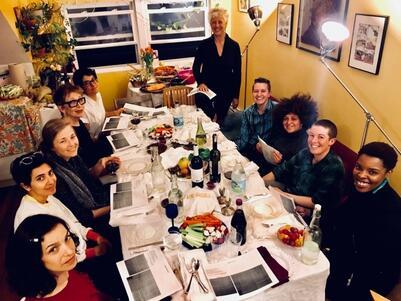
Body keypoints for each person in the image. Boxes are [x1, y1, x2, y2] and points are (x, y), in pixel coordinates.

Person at [327, 142, 401, 301]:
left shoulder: (392, 210)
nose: (361, 175)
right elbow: (341, 217)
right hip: (342, 263)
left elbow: (378, 261)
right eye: (359, 167)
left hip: (365, 282)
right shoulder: (360, 189)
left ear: (388, 173)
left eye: (372, 172)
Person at [10, 151, 111, 262]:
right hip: (71, 267)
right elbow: (55, 259)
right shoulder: (31, 217)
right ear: (26, 186)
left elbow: (73, 223)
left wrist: (97, 237)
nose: (51, 181)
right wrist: (94, 252)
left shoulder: (48, 197)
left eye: (50, 173)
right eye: (40, 178)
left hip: (80, 247)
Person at [263, 119, 344, 242]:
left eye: (321, 137)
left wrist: (283, 195)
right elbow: (281, 170)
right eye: (311, 135)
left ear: (331, 141)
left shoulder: (334, 166)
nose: (314, 141)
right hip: (290, 196)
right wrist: (260, 181)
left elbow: (316, 201)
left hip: (308, 213)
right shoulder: (305, 153)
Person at [6, 214, 113, 300]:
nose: (69, 251)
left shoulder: (63, 269)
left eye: (67, 238)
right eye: (53, 249)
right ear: (34, 259)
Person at [40, 118, 118, 225]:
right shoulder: (55, 176)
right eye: (63, 141)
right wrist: (116, 206)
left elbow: (86, 180)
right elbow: (83, 217)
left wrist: (100, 166)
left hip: (99, 200)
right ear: (52, 148)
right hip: (92, 223)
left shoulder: (72, 157)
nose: (71, 144)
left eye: (73, 137)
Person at [192, 6, 241, 123]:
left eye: (220, 22)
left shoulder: (234, 46)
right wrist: (201, 82)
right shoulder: (204, 45)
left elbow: (238, 73)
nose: (217, 25)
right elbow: (195, 67)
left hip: (226, 90)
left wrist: (236, 96)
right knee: (206, 112)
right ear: (210, 24)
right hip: (207, 87)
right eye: (213, 22)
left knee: (220, 120)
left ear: (226, 23)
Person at [53, 84, 112, 167]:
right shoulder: (67, 133)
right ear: (62, 108)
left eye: (80, 100)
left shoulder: (78, 121)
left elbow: (88, 147)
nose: (79, 105)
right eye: (73, 102)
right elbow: (84, 163)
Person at [262, 93, 318, 174]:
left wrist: (279, 163)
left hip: (281, 179)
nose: (289, 122)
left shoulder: (305, 143)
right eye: (286, 119)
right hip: (265, 167)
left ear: (302, 121)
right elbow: (268, 145)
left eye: (294, 119)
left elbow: (296, 173)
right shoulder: (280, 130)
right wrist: (261, 148)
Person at [236, 77, 277, 174]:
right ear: (252, 93)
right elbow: (244, 139)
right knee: (239, 169)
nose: (259, 94)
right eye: (256, 91)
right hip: (253, 148)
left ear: (269, 94)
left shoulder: (278, 110)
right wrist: (232, 149)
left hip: (270, 152)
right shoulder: (247, 112)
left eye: (263, 91)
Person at [72, 68, 123, 139]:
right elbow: (85, 137)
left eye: (93, 80)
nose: (93, 84)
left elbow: (100, 115)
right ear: (80, 87)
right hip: (95, 140)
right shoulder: (81, 106)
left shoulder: (97, 94)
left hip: (104, 131)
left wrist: (114, 113)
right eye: (87, 83)